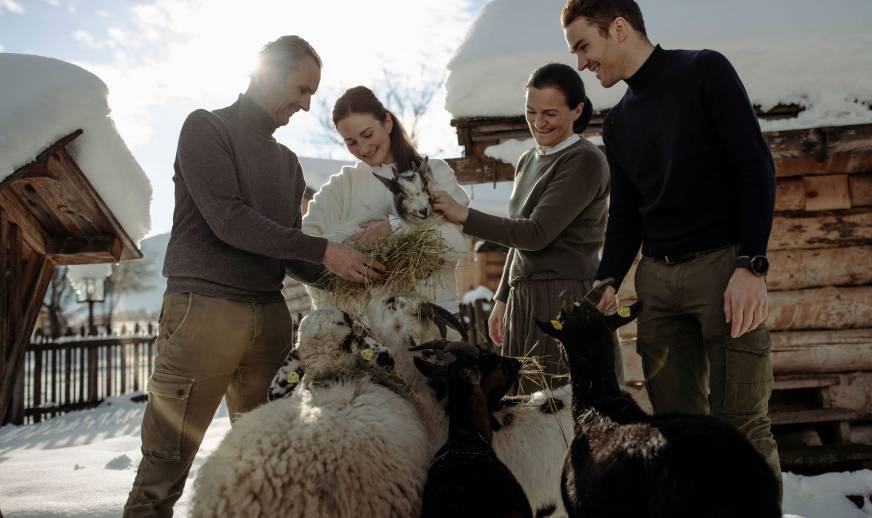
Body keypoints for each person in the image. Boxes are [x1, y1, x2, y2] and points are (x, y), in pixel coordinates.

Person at [123, 36, 384, 517]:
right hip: (205, 312)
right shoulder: (205, 128)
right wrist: (325, 249)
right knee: (165, 466)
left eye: (311, 95)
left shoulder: (286, 163)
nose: (306, 106)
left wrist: (356, 272)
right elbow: (230, 219)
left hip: (269, 318)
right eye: (302, 90)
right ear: (269, 71)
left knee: (267, 465)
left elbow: (287, 247)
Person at [561, 0, 782, 483]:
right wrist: (607, 280)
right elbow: (626, 217)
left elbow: (755, 168)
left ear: (618, 28)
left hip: (724, 272)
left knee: (741, 428)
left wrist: (751, 265)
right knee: (677, 436)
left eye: (583, 45)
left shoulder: (704, 70)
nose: (581, 62)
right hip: (657, 287)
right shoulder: (617, 124)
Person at [433, 63, 610, 392]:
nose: (539, 123)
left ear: (578, 110)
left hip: (563, 295)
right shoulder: (529, 160)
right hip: (524, 295)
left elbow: (535, 233)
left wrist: (463, 215)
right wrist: (503, 297)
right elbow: (519, 237)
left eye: (550, 113)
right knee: (522, 400)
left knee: (555, 403)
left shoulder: (583, 160)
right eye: (531, 111)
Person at [301, 85, 470, 312]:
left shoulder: (433, 173)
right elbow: (304, 248)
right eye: (351, 142)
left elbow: (459, 245)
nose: (363, 148)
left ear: (387, 122)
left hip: (430, 317)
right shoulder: (343, 185)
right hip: (368, 329)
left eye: (367, 134)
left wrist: (394, 227)